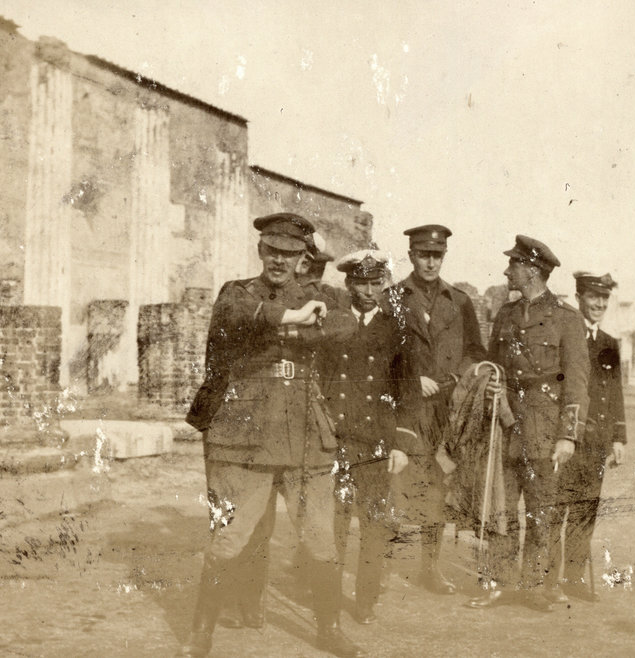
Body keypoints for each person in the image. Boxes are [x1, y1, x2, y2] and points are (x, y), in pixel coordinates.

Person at [179, 213, 362, 658]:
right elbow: (235, 315)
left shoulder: (325, 294)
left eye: (291, 254)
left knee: (320, 536)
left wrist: (300, 322)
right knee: (232, 534)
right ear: (260, 251)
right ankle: (201, 633)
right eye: (272, 251)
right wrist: (292, 316)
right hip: (248, 430)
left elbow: (348, 325)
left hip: (305, 432)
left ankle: (328, 628)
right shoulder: (238, 292)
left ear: (304, 258)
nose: (280, 261)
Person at [467, 235, 589, 612]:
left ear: (532, 270)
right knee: (502, 506)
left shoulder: (567, 318)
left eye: (514, 265)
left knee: (541, 510)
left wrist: (568, 435)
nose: (507, 270)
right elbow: (493, 363)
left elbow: (577, 380)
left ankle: (535, 585)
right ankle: (501, 582)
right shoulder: (505, 314)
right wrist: (489, 385)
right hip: (505, 423)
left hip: (544, 425)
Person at [319, 249, 422, 624]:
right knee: (333, 525)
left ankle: (365, 598)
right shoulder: (332, 324)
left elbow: (408, 391)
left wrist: (402, 444)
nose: (367, 290)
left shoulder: (398, 328)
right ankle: (327, 596)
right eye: (360, 282)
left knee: (374, 525)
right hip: (335, 441)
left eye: (375, 283)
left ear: (385, 285)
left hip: (377, 443)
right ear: (348, 284)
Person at [390, 225, 486, 595]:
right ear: (411, 255)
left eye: (437, 255)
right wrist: (411, 379)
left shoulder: (459, 302)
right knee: (396, 482)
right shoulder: (394, 297)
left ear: (443, 257)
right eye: (423, 254)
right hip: (407, 409)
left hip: (447, 410)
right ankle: (381, 567)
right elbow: (383, 354)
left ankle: (430, 567)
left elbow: (476, 351)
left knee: (439, 485)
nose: (430, 262)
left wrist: (452, 376)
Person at [554, 271, 627, 602]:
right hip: (566, 439)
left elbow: (614, 394)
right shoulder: (562, 335)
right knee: (556, 509)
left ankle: (572, 577)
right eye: (592, 297)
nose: (599, 303)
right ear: (579, 297)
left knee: (585, 512)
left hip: (596, 443)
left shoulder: (609, 343)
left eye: (604, 298)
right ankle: (546, 578)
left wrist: (618, 437)